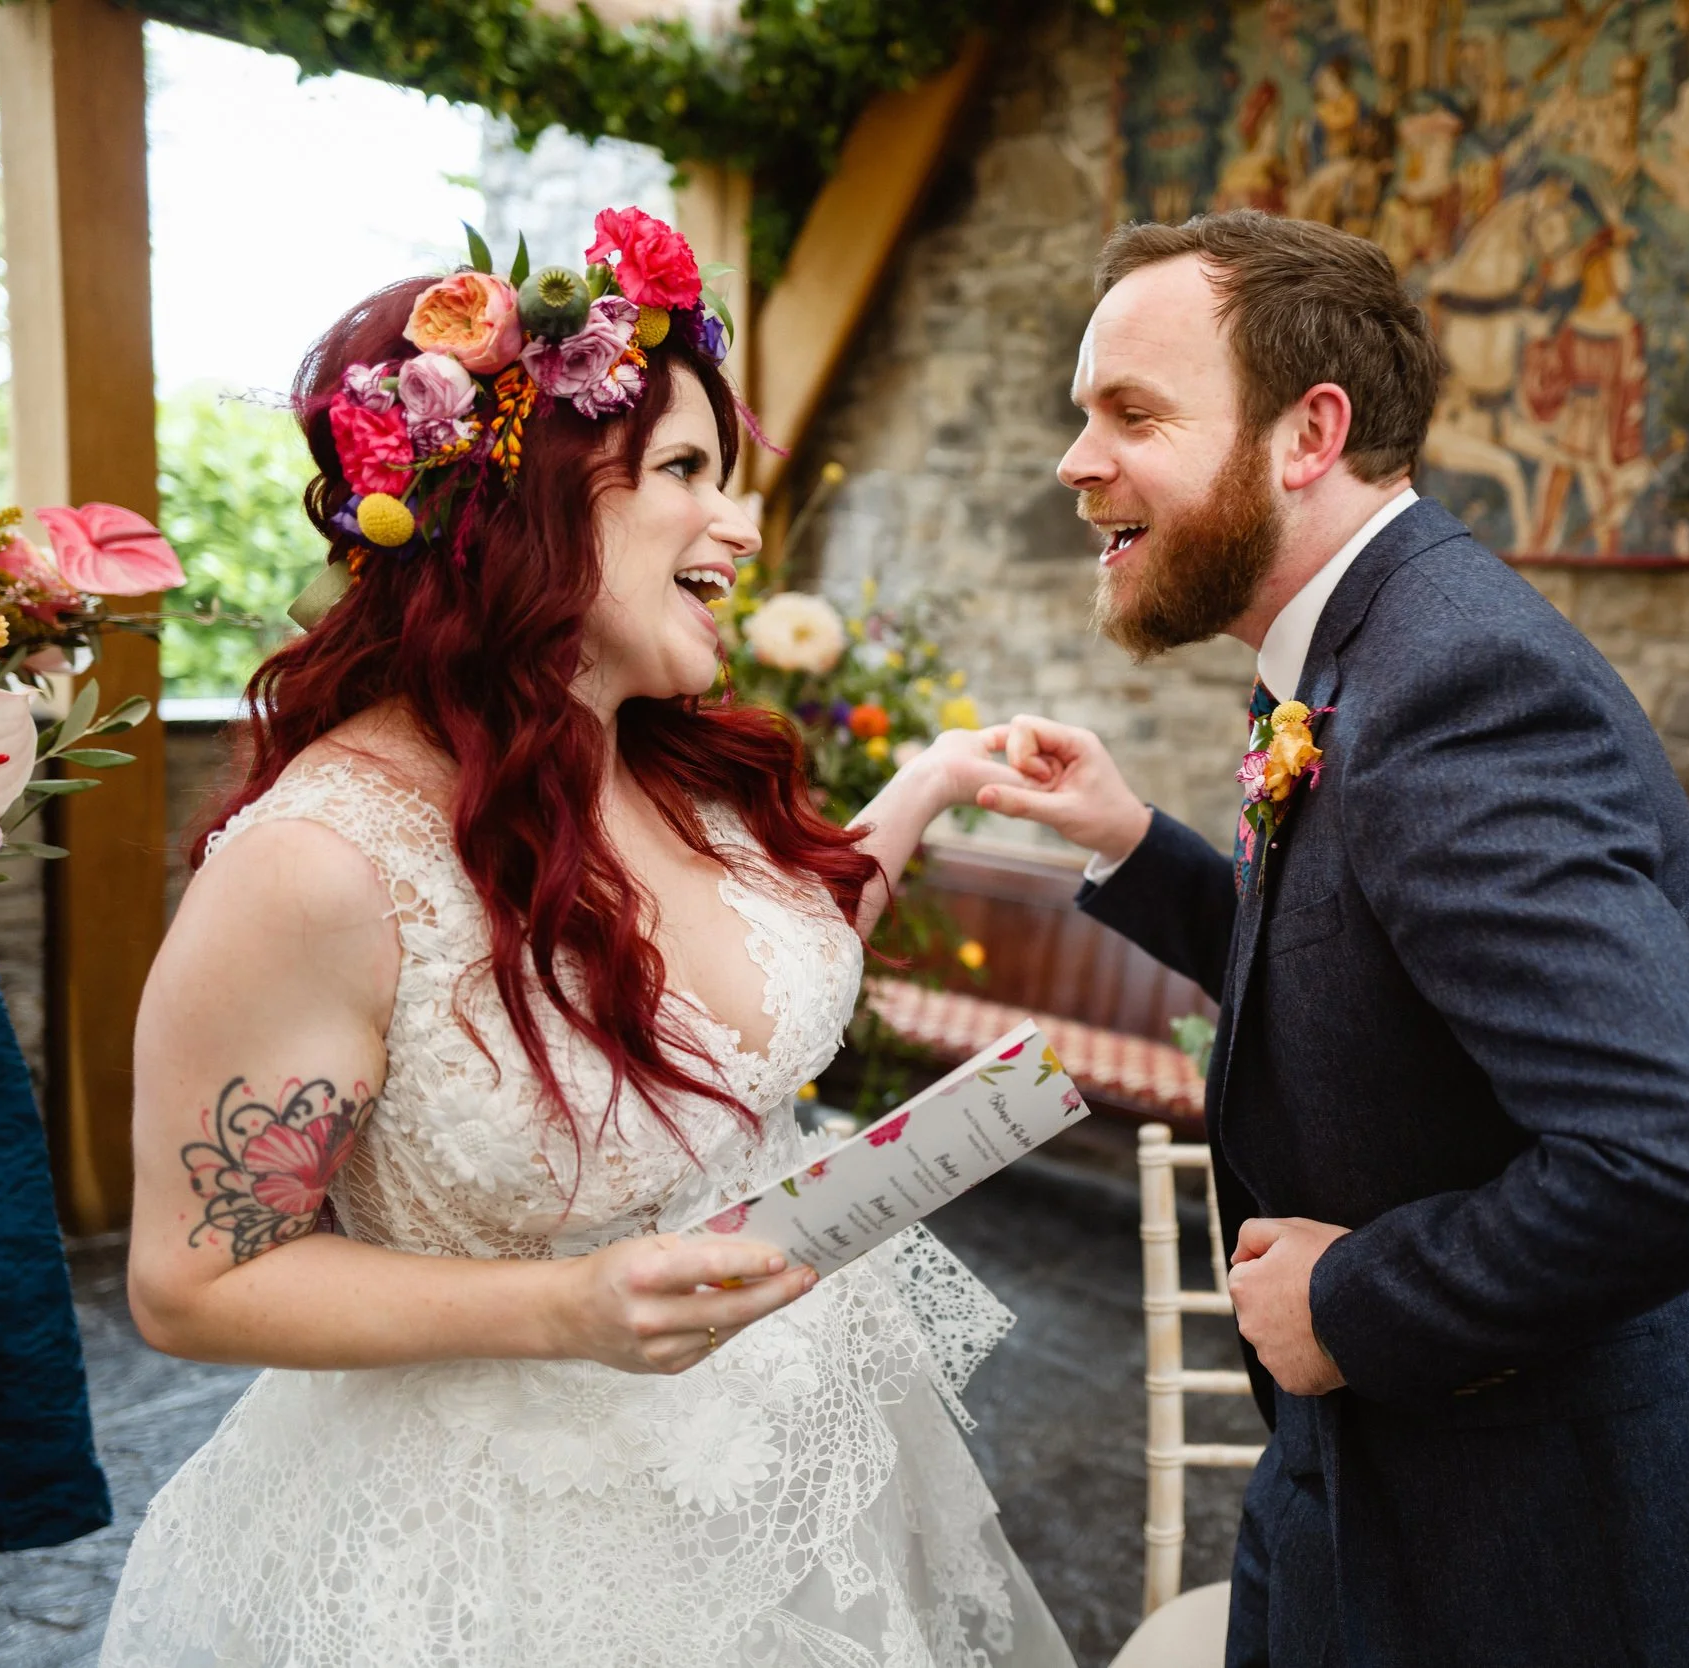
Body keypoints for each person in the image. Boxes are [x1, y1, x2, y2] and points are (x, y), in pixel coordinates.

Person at [98, 210, 1067, 1668]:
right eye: (684, 472)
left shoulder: (660, 758)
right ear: (519, 509)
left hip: (780, 1484)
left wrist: (925, 785)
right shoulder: (320, 868)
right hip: (496, 1564)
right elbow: (193, 1283)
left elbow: (756, 971)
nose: (740, 526)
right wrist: (563, 1304)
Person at [976, 210, 1689, 1666]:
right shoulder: (1357, 648)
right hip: (1381, 1475)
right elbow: (1362, 968)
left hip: (1537, 1546)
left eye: (1132, 413)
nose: (1076, 461)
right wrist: (1137, 844)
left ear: (1308, 433)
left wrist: (1348, 1302)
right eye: (1083, 415)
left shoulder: (1457, 686)